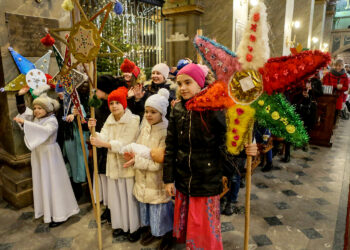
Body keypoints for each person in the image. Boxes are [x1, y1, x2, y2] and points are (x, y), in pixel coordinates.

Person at [163, 63, 258, 249]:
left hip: (206, 180)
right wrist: (168, 179)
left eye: (187, 82)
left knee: (203, 231)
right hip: (183, 179)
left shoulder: (214, 108)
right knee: (189, 229)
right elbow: (171, 146)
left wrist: (248, 147)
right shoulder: (178, 109)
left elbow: (230, 140)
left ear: (200, 83)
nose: (182, 88)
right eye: (179, 83)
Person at [14, 91, 79, 227]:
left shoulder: (52, 120)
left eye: (40, 108)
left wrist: (26, 123)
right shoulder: (36, 119)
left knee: (54, 182)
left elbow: (43, 131)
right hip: (39, 155)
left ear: (47, 109)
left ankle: (60, 214)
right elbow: (23, 112)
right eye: (35, 108)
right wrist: (19, 96)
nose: (36, 111)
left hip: (50, 156)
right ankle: (48, 210)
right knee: (43, 182)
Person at [122, 88, 174, 250]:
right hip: (142, 180)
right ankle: (153, 230)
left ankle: (167, 235)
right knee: (148, 211)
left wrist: (136, 161)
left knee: (161, 212)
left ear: (162, 113)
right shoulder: (145, 128)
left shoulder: (165, 132)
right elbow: (138, 148)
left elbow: (160, 163)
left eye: (154, 112)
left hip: (156, 182)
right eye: (147, 111)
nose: (149, 115)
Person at [88, 87, 141, 242]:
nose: (114, 106)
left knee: (128, 198)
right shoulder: (110, 120)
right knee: (116, 198)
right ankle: (120, 225)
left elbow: (125, 143)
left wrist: (102, 143)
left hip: (126, 164)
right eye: (112, 103)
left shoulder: (133, 120)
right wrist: (94, 131)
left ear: (124, 104)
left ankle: (134, 227)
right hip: (112, 165)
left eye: (118, 102)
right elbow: (102, 135)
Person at [93, 75, 125, 224]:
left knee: (112, 182)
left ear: (104, 90)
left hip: (111, 150)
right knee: (104, 181)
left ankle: (114, 210)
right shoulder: (99, 104)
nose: (94, 91)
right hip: (101, 147)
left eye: (97, 89)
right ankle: (108, 207)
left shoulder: (114, 106)